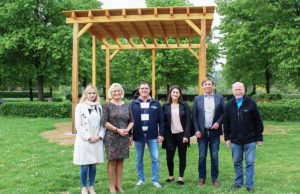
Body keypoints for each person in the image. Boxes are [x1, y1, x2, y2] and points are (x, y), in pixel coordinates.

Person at [224, 82, 263, 193]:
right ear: (233, 91)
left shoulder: (251, 103)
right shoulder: (229, 104)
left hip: (250, 139)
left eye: (240, 89)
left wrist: (259, 137)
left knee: (250, 162)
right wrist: (227, 138)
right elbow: (226, 123)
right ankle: (238, 183)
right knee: (237, 162)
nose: (238, 91)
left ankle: (249, 184)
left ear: (244, 90)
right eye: (236, 89)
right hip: (235, 140)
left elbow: (258, 121)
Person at [130, 81, 165, 188]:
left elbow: (162, 121)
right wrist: (129, 136)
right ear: (139, 90)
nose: (144, 90)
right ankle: (141, 179)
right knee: (139, 158)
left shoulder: (156, 103)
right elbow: (128, 121)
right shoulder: (133, 104)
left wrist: (161, 134)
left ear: (149, 90)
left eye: (146, 88)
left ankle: (155, 181)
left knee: (155, 158)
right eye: (142, 88)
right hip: (138, 135)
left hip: (153, 135)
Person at [101, 83, 134, 194]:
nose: (117, 93)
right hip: (111, 137)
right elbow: (104, 122)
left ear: (122, 92)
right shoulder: (107, 105)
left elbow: (132, 121)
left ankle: (118, 185)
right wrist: (117, 130)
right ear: (111, 92)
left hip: (124, 136)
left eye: (119, 91)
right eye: (114, 91)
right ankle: (111, 186)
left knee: (121, 160)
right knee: (112, 161)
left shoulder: (126, 105)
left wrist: (127, 130)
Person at [192, 77, 225, 187]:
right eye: (205, 84)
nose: (207, 86)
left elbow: (224, 114)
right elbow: (194, 116)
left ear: (213, 86)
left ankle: (214, 179)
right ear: (202, 86)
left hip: (214, 133)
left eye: (209, 84)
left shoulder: (219, 98)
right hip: (202, 133)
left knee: (214, 157)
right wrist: (196, 130)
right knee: (202, 156)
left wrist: (218, 122)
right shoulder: (198, 99)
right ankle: (202, 179)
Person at [73, 85, 105, 194]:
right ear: (86, 94)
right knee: (85, 165)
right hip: (85, 140)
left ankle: (91, 187)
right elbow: (78, 125)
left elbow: (102, 124)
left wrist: (99, 136)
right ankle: (83, 187)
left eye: (94, 93)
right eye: (89, 93)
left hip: (96, 140)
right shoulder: (80, 106)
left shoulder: (99, 107)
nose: (92, 95)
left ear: (96, 94)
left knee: (93, 164)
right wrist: (88, 137)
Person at [162, 85, 191, 185]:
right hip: (169, 135)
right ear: (170, 94)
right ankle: (171, 176)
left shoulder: (184, 105)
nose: (175, 94)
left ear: (180, 94)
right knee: (169, 157)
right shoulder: (165, 106)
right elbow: (163, 122)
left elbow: (188, 121)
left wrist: (186, 135)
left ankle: (180, 177)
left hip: (182, 135)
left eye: (177, 92)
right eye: (173, 92)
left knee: (182, 156)